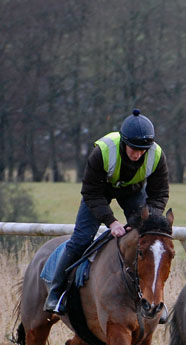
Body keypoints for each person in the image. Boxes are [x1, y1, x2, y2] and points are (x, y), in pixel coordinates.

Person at [45, 110, 169, 313]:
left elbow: (160, 194)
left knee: (150, 239)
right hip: (98, 192)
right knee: (81, 239)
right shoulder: (102, 152)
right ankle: (56, 292)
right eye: (133, 149)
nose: (137, 155)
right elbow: (90, 192)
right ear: (124, 142)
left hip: (132, 191)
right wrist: (112, 222)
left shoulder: (156, 155)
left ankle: (154, 298)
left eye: (142, 150)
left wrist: (146, 220)